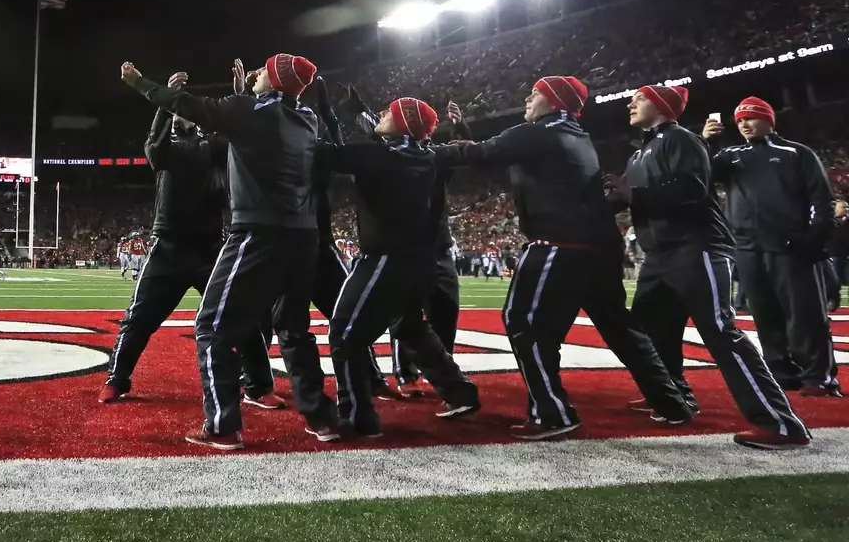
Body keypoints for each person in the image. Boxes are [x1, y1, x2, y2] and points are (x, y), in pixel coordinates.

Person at [436, 76, 692, 438]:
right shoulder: (576, 135)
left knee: (524, 322)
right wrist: (461, 131)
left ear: (555, 101)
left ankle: (553, 413)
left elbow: (477, 154)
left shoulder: (536, 133)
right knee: (620, 328)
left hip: (559, 243)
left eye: (535, 92)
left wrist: (415, 152)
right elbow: (488, 152)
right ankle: (671, 402)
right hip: (599, 245)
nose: (527, 97)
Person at [121, 53, 337, 450]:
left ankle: (222, 426)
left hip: (258, 232)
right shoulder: (307, 118)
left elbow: (187, 106)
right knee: (294, 327)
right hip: (303, 236)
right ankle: (321, 417)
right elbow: (259, 134)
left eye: (263, 71)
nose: (255, 73)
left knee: (212, 328)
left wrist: (139, 82)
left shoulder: (249, 112)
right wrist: (243, 100)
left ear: (275, 80)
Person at [605, 85, 809, 449]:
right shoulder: (640, 153)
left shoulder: (681, 139)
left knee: (719, 330)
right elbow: (623, 197)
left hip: (695, 247)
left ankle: (780, 422)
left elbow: (692, 188)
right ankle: (674, 395)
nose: (630, 103)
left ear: (663, 106)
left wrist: (633, 194)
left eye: (640, 97)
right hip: (660, 254)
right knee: (652, 326)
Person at [102, 73, 282, 409]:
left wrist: (239, 96)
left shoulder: (213, 148)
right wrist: (166, 103)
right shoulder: (166, 150)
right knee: (138, 319)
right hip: (168, 247)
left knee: (240, 316)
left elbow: (237, 135)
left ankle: (257, 385)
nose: (182, 113)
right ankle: (116, 379)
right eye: (177, 112)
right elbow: (153, 150)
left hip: (210, 247)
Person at [317, 97, 481, 438]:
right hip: (421, 264)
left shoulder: (380, 155)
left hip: (384, 262)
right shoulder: (429, 156)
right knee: (411, 328)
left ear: (403, 123)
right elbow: (467, 152)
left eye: (388, 112)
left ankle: (357, 417)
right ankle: (460, 391)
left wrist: (326, 118)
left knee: (344, 334)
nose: (380, 114)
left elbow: (323, 154)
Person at [699, 97, 839, 397]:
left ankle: (820, 377)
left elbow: (821, 200)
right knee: (764, 315)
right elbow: (702, 178)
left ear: (768, 119)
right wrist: (707, 144)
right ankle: (781, 373)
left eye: (750, 118)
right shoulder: (731, 156)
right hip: (747, 248)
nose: (744, 124)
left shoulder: (796, 153)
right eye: (739, 121)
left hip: (791, 248)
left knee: (806, 316)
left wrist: (813, 238)